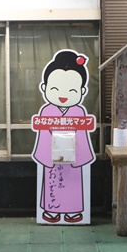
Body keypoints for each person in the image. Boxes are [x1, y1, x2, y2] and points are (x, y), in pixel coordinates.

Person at [31, 50, 95, 223]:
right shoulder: (46, 110)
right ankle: (51, 210)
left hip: (74, 155)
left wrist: (79, 156)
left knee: (73, 182)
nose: (63, 95)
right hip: (52, 157)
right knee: (52, 181)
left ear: (82, 91)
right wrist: (47, 156)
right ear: (44, 88)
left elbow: (82, 135)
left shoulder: (79, 111)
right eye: (55, 89)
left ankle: (73, 211)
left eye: (72, 90)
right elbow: (43, 136)